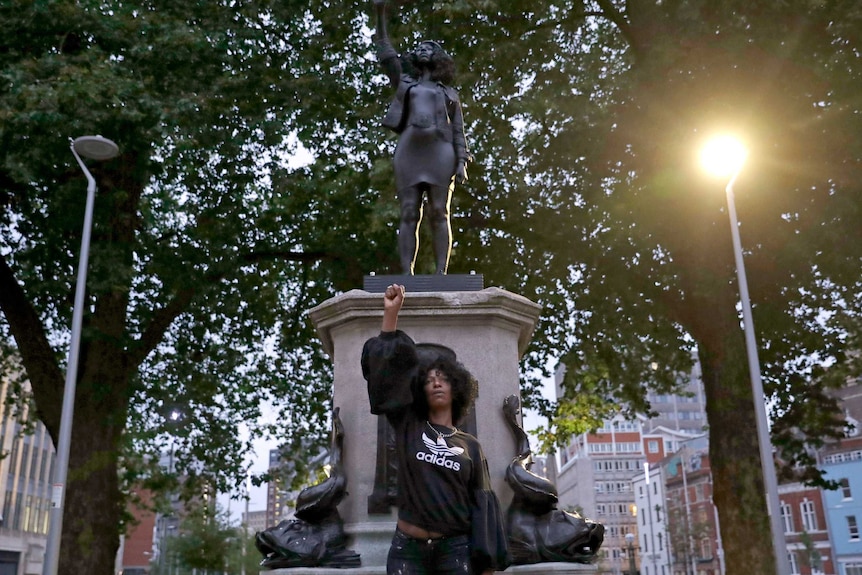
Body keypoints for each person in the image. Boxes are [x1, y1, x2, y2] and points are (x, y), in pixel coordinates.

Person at [361, 284, 510, 574]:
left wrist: (487, 566)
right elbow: (386, 374)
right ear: (421, 389)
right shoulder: (408, 425)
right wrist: (390, 315)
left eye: (443, 378)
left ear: (457, 388)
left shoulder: (471, 446)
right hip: (407, 551)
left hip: (455, 551)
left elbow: (483, 506)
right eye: (429, 379)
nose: (436, 382)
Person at [373, 0, 471, 275]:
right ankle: (407, 273)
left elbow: (458, 131)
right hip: (410, 152)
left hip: (441, 152)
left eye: (430, 48)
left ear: (438, 57)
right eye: (420, 48)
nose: (423, 50)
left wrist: (462, 161)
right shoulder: (405, 82)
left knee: (440, 212)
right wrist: (380, 13)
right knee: (408, 212)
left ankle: (441, 273)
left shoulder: (450, 94)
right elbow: (384, 49)